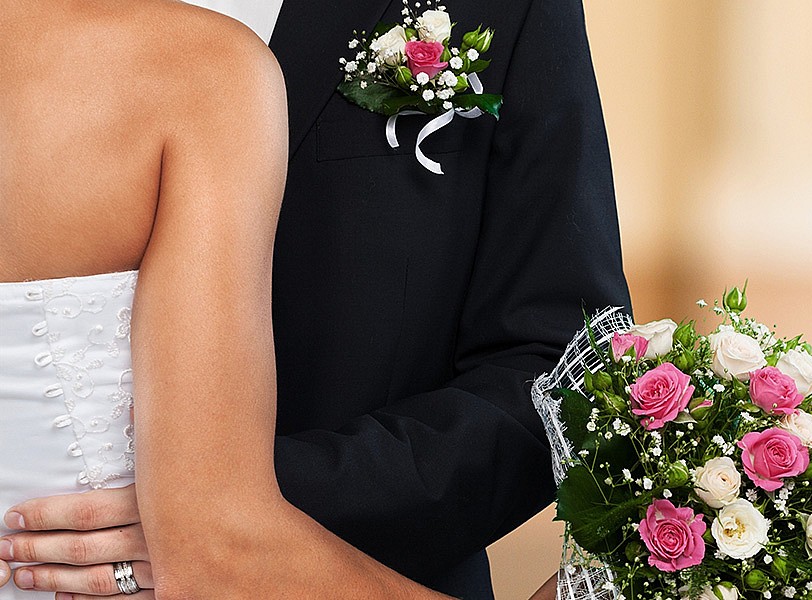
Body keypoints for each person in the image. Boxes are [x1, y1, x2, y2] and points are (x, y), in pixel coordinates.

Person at [0, 0, 628, 596]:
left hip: (362, 561)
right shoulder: (206, 71)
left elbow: (565, 362)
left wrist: (241, 518)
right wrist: (216, 528)